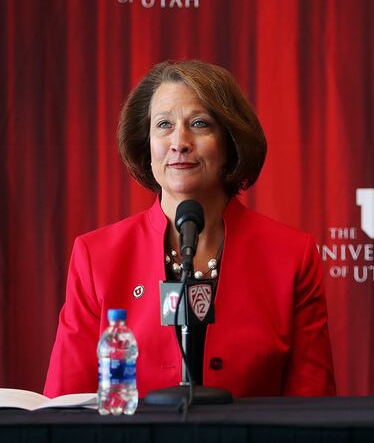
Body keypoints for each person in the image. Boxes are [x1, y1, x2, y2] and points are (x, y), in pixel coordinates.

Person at [45, 60, 335, 398]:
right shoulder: (97, 256)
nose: (179, 142)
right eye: (164, 125)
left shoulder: (292, 256)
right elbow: (65, 405)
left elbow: (313, 409)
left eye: (199, 124)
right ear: (146, 145)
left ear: (230, 142)